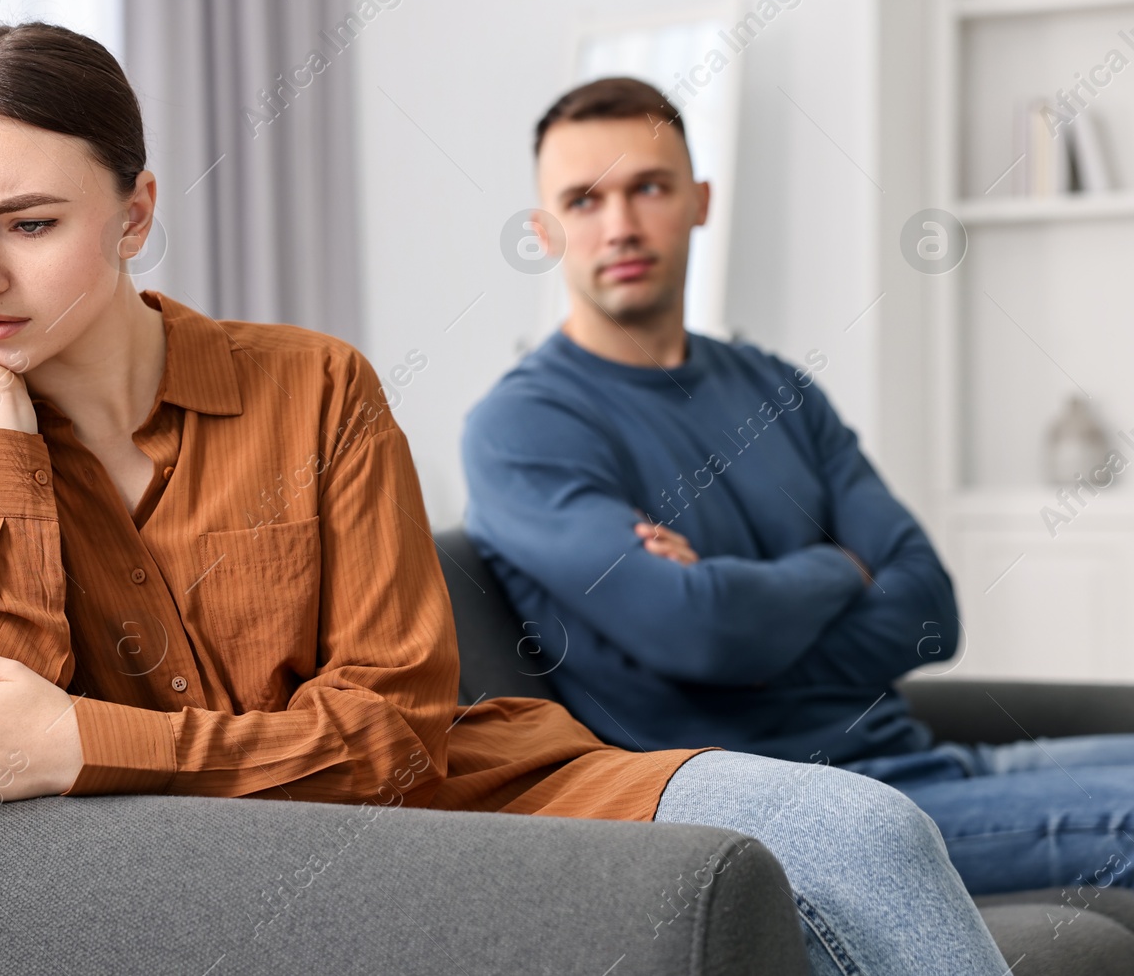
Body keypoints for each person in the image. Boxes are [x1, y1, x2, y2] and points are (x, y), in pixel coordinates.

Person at [0, 22, 1009, 974]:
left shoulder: (313, 386)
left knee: (864, 829)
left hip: (487, 797)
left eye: (29, 224)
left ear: (136, 213)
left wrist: (86, 739)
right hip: (275, 896)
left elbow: (394, 734)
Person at [460, 74, 1134, 900]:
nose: (622, 225)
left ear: (701, 200)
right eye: (584, 200)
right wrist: (843, 570)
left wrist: (743, 616)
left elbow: (930, 607)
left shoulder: (776, 386)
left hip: (930, 761)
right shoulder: (524, 426)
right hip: (805, 817)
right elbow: (701, 630)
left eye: (649, 186)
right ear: (544, 229)